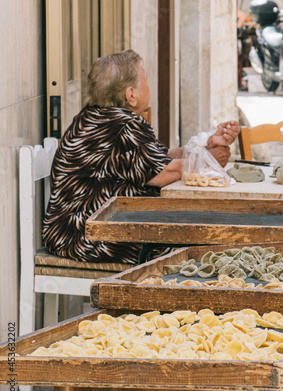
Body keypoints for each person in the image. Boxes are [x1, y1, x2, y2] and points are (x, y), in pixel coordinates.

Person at [42, 50, 240, 264]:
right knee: (208, 248)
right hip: (91, 237)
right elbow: (163, 173)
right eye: (145, 81)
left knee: (203, 236)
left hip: (72, 232)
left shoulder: (93, 118)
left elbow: (161, 157)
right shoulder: (124, 126)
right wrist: (206, 161)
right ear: (131, 94)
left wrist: (208, 143)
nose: (149, 87)